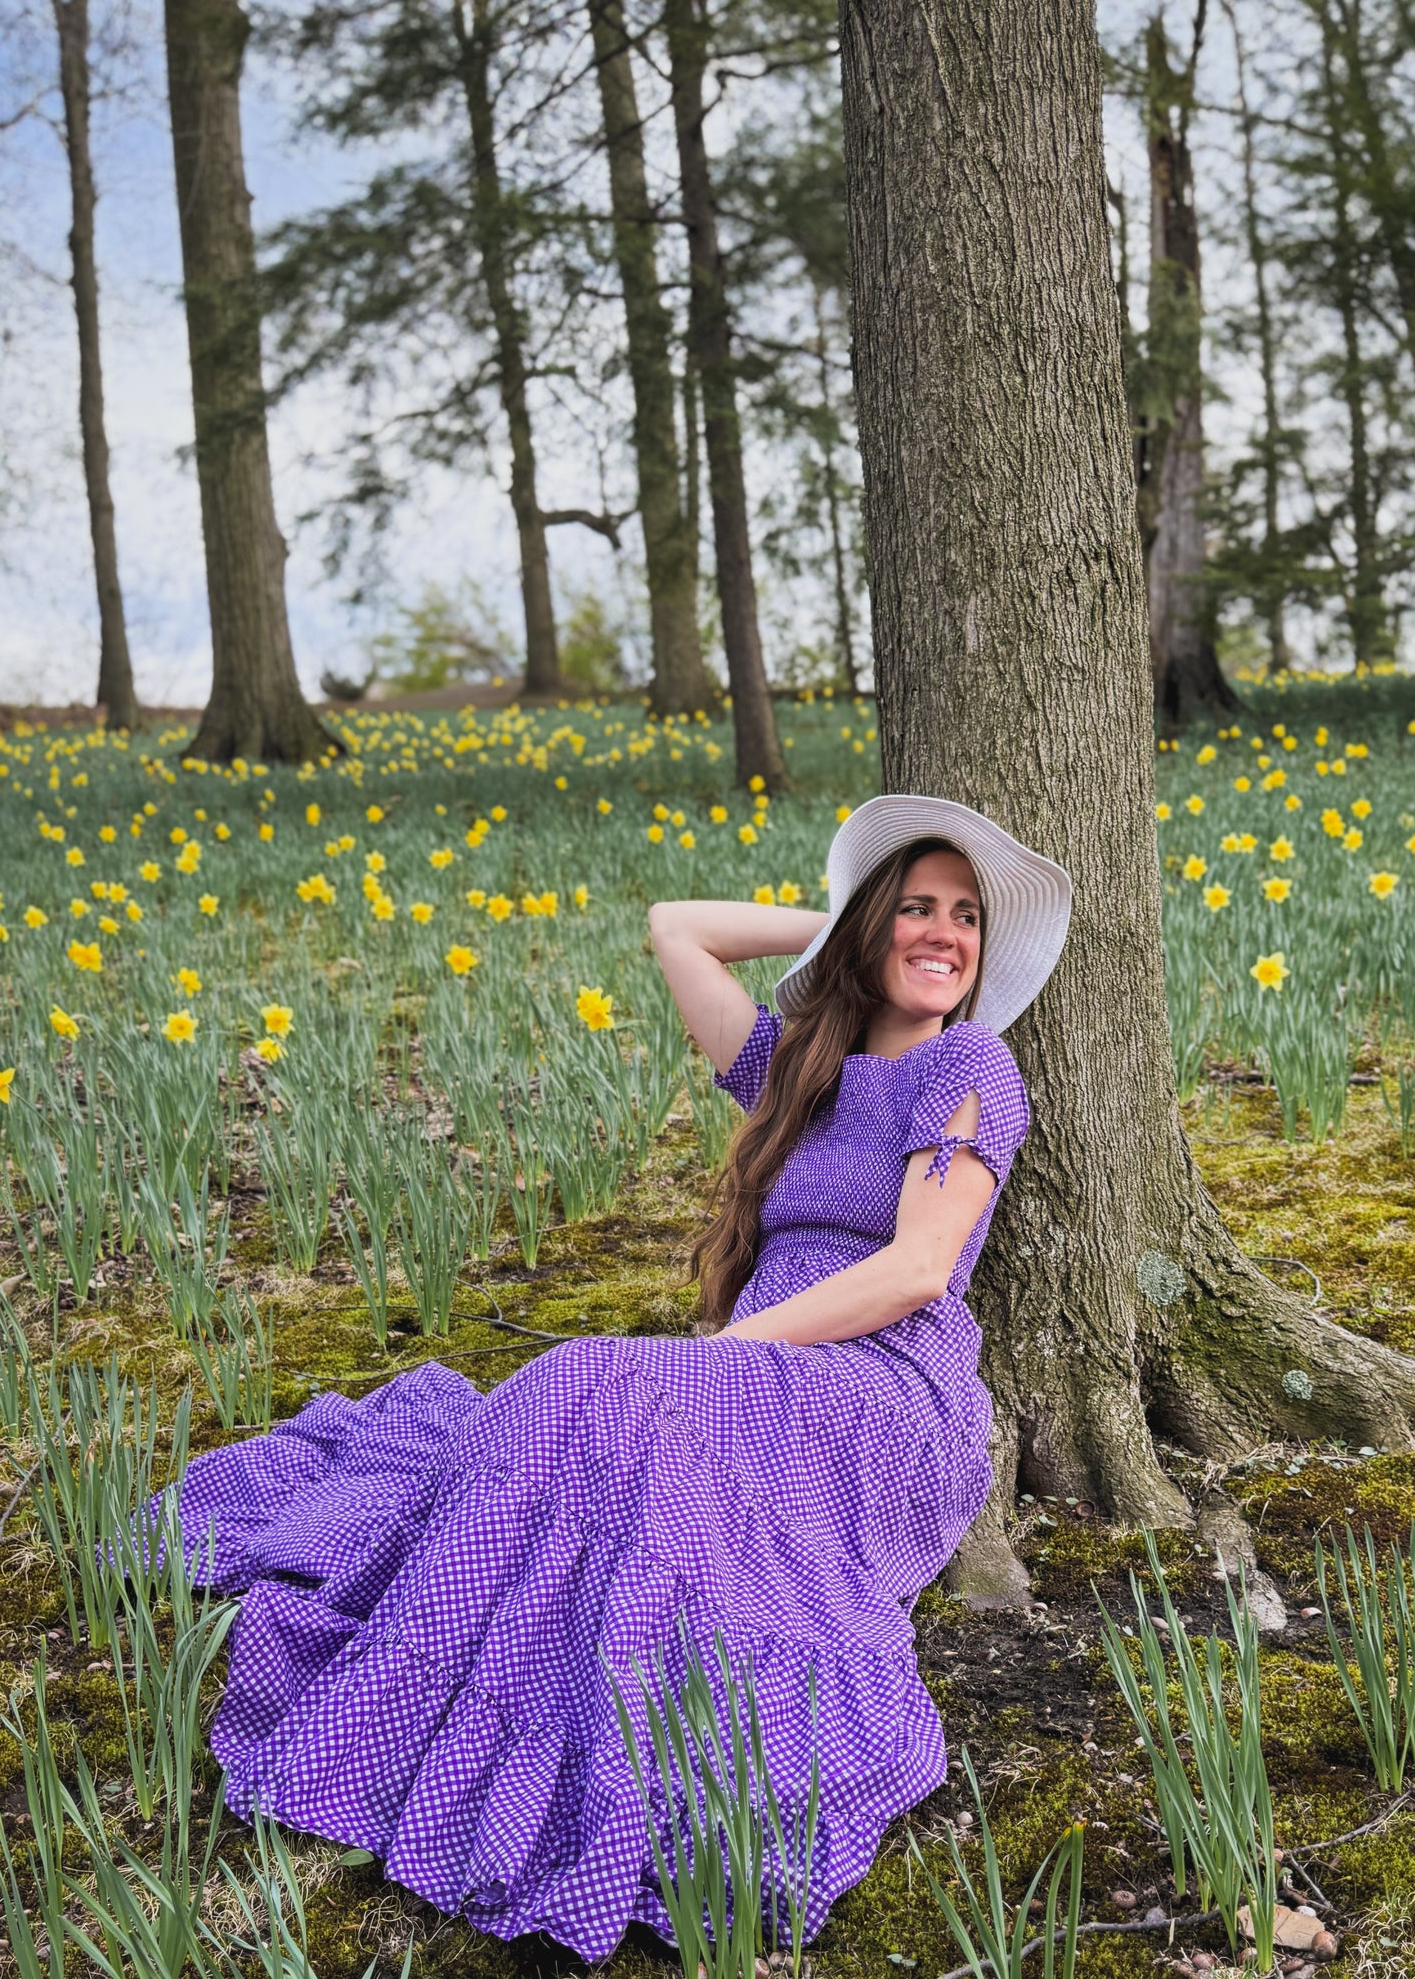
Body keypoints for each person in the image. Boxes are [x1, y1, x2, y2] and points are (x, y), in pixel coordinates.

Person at [160, 793, 1073, 1961]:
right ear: (866, 929)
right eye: (916, 910)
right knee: (573, 1408)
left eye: (963, 918)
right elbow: (674, 928)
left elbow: (912, 1269)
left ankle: (638, 1772)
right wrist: (847, 918)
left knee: (597, 1380)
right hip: (753, 1382)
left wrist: (725, 1353)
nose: (942, 934)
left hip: (882, 1396)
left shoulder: (970, 1064)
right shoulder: (797, 1072)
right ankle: (481, 1715)